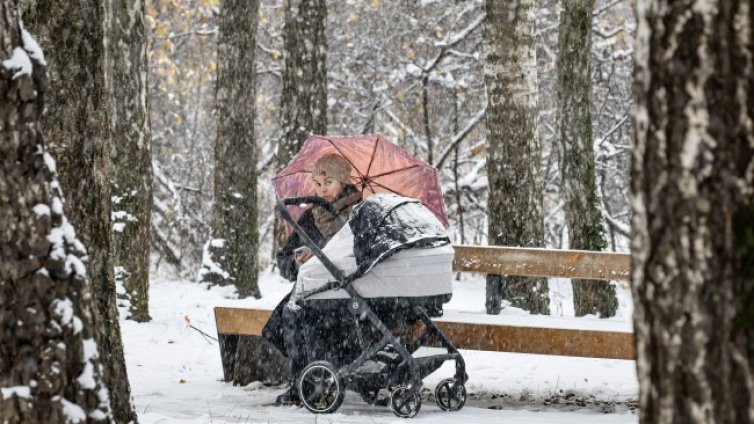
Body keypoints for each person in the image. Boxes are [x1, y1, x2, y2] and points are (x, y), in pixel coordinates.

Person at [263, 154, 363, 406]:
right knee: (291, 314)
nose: (322, 190)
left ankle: (311, 383)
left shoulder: (359, 215)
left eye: (328, 182)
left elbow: (361, 259)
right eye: (317, 184)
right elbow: (284, 260)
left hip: (348, 293)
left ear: (343, 182)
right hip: (311, 289)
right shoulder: (309, 217)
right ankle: (306, 381)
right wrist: (299, 263)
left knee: (308, 317)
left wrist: (324, 258)